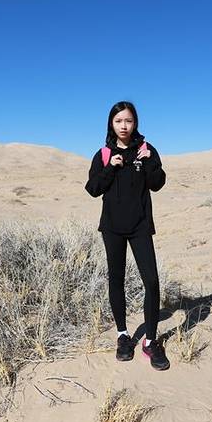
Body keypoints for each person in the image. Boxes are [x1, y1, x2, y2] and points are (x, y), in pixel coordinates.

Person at [85, 101, 169, 370]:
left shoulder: (146, 150)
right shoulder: (103, 154)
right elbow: (93, 189)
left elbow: (157, 184)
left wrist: (148, 162)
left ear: (135, 123)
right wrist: (111, 167)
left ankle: (150, 341)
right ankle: (123, 336)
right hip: (112, 228)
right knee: (117, 280)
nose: (124, 126)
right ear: (111, 124)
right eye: (119, 121)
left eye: (128, 121)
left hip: (140, 226)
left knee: (151, 281)